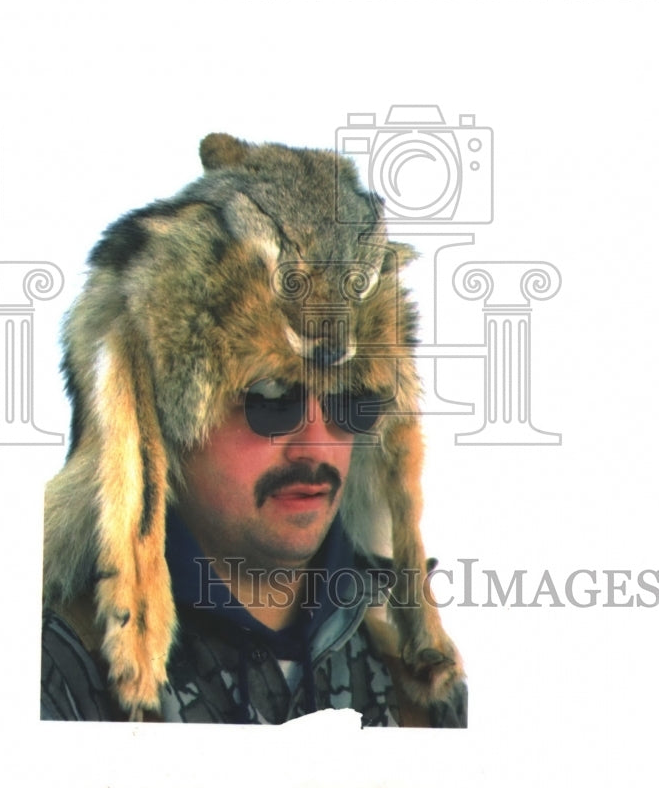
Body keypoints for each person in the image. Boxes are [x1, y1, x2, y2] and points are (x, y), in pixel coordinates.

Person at [41, 132, 467, 726]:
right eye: (271, 398)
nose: (318, 446)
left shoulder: (417, 685)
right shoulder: (55, 676)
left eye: (353, 403)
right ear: (167, 418)